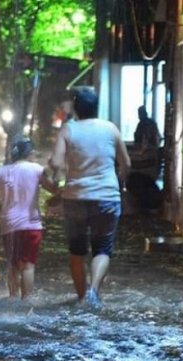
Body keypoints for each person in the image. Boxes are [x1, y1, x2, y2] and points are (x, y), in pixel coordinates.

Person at [48, 87, 131, 309]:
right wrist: (121, 186)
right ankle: (94, 292)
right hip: (106, 196)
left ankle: (81, 297)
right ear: (97, 107)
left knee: (77, 251)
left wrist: (56, 182)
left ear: (76, 108)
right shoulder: (110, 129)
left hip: (75, 197)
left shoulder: (68, 129)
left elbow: (55, 163)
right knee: (102, 249)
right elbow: (126, 164)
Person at [0, 136, 58, 299]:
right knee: (28, 266)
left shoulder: (2, 172)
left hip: (9, 225)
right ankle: (26, 300)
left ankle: (13, 297)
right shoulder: (37, 169)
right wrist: (56, 170)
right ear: (30, 153)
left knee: (13, 265)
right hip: (31, 225)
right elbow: (53, 188)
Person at [127, 105, 163, 210]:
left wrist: (142, 152)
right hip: (146, 157)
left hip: (147, 157)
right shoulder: (145, 123)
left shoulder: (147, 124)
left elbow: (146, 141)